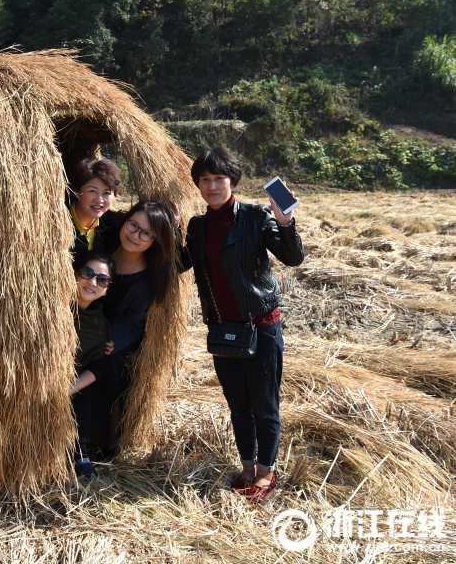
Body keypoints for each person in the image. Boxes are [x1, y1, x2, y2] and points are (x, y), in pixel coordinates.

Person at [178, 147, 305, 503]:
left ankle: (266, 472)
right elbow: (179, 263)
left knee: (264, 404)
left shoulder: (255, 216)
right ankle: (247, 467)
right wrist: (168, 230)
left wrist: (285, 220)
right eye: (205, 180)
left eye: (220, 178)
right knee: (238, 404)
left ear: (232, 181)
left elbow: (293, 257)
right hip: (222, 328)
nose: (213, 185)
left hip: (260, 325)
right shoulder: (198, 225)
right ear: (198, 186)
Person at [90, 200, 177, 455]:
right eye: (133, 225)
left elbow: (132, 322)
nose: (135, 235)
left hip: (117, 338)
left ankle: (106, 447)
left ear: (154, 241)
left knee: (110, 366)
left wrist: (105, 340)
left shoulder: (147, 279)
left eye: (146, 234)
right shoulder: (105, 239)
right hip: (87, 321)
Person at [67, 251, 115, 479]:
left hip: (71, 386)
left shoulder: (99, 322)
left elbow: (100, 365)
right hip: (40, 382)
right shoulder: (52, 309)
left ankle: (81, 454)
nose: (93, 282)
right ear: (76, 273)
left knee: (86, 392)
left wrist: (69, 388)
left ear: (106, 289)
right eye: (88, 273)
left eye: (102, 280)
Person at [67, 157, 122, 267]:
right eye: (92, 191)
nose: (99, 200)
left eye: (106, 193)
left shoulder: (113, 228)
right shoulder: (58, 225)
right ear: (76, 191)